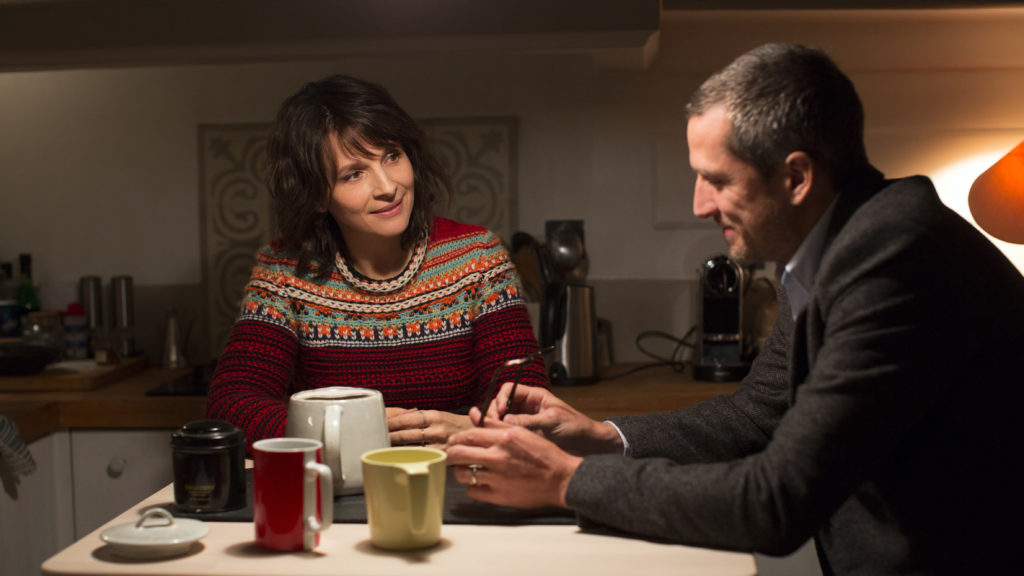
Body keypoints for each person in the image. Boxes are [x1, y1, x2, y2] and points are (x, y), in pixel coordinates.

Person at [446, 43, 1024, 575]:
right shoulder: (833, 242)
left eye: (715, 179)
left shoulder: (897, 260)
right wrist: (599, 436)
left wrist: (565, 480)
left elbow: (777, 502)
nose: (699, 205)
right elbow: (756, 415)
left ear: (796, 177)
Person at [207, 74, 546, 451]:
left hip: (464, 480)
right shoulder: (285, 272)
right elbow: (231, 405)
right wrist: (345, 427)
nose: (387, 186)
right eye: (354, 174)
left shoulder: (477, 257)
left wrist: (467, 427)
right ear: (318, 196)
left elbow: (528, 402)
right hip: (336, 493)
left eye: (392, 156)